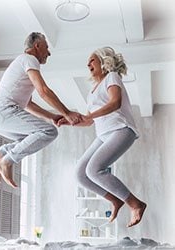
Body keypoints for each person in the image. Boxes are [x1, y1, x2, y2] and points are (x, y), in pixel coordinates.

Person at [57, 47, 146, 227]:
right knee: (80, 174)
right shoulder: (91, 92)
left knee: (94, 169)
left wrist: (89, 116)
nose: (87, 64)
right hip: (103, 134)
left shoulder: (112, 77)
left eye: (92, 60)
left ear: (103, 61)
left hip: (121, 129)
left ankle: (135, 204)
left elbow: (115, 102)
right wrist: (69, 121)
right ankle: (115, 200)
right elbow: (89, 121)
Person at [0, 32, 82, 188]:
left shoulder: (22, 63)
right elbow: (43, 91)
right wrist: (67, 113)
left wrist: (51, 116)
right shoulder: (29, 59)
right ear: (37, 45)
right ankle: (6, 161)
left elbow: (28, 104)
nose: (48, 53)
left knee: (30, 139)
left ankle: (0, 154)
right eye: (47, 48)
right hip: (2, 111)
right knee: (49, 132)